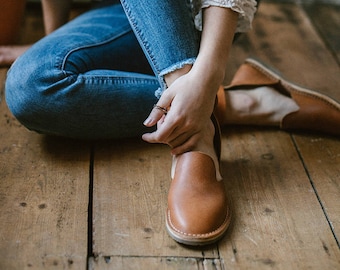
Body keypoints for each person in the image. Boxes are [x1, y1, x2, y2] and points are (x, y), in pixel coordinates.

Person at [5, 0, 340, 246]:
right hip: (117, 13)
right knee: (32, 85)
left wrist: (208, 74)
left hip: (199, 15)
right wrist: (53, 39)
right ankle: (235, 102)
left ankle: (193, 138)